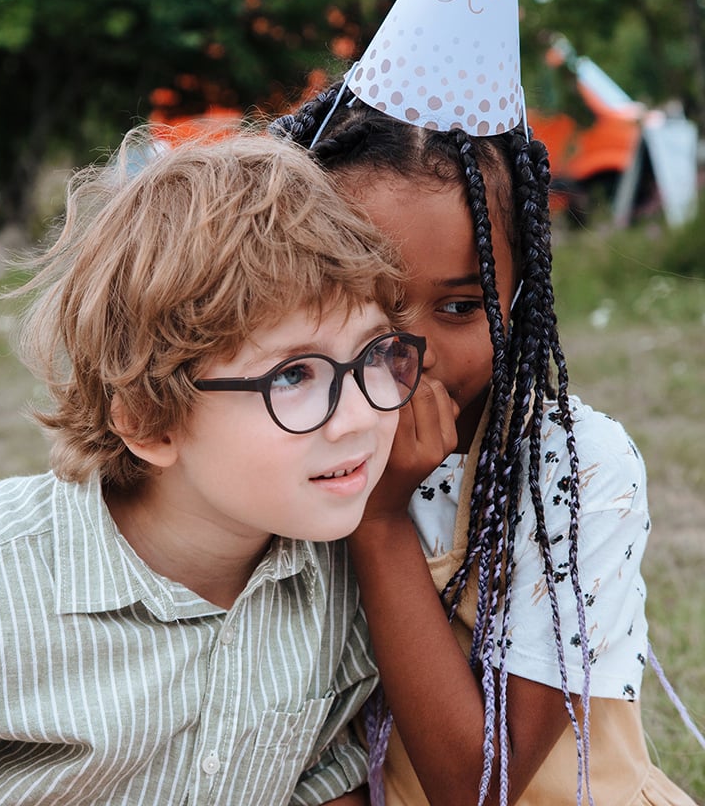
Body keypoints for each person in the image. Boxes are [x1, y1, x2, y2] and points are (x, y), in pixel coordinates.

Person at [0, 131, 433, 806]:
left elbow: (321, 777)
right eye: (294, 374)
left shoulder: (335, 584)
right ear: (149, 420)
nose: (356, 415)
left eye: (375, 352)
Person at [269, 60, 700, 806]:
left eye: (463, 307)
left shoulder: (574, 468)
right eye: (374, 302)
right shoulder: (280, 449)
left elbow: (480, 787)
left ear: (520, 294)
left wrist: (378, 522)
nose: (417, 352)